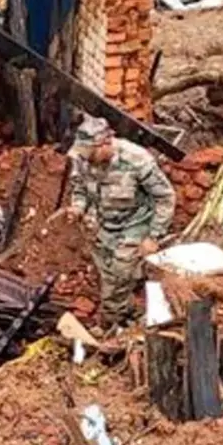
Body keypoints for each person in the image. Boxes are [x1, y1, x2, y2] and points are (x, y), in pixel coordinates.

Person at [59, 114, 177, 328]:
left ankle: (111, 324)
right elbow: (80, 188)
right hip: (103, 225)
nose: (86, 159)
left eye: (90, 154)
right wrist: (78, 208)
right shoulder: (83, 159)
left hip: (135, 225)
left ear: (105, 144)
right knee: (108, 274)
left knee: (119, 277)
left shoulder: (136, 159)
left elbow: (165, 197)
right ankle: (128, 313)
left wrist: (154, 236)